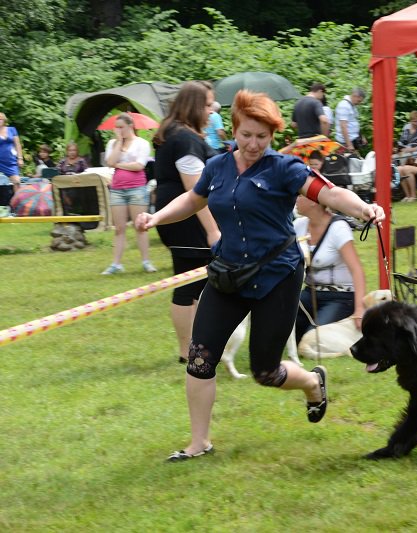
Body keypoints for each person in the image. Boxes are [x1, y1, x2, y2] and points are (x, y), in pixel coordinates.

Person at [135, 89, 385, 461]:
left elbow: (330, 195)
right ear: (233, 130)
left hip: (276, 277)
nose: (253, 144)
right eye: (246, 135)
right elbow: (193, 200)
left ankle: (314, 383)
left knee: (265, 371)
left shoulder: (285, 169)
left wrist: (365, 208)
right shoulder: (217, 166)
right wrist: (156, 217)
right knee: (199, 357)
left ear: (272, 136)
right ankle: (199, 442)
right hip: (228, 275)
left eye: (262, 137)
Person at [153, 80, 221, 364]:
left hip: (178, 218)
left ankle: (192, 349)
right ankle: (189, 351)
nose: (211, 110)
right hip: (188, 221)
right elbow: (196, 192)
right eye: (207, 105)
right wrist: (213, 230)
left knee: (191, 283)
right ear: (194, 106)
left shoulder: (175, 134)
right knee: (191, 285)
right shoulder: (184, 139)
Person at [293, 192, 367, 342]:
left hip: (340, 298)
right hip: (310, 292)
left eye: (300, 195)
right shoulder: (298, 226)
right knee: (281, 326)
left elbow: (357, 270)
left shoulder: (338, 228)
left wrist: (360, 310)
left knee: (312, 340)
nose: (295, 198)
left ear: (314, 201)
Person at [102, 112, 157, 275]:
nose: (118, 130)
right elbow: (110, 162)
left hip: (137, 188)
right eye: (116, 128)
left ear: (130, 126)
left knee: (140, 226)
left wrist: (118, 165)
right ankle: (116, 264)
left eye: (121, 127)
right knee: (119, 228)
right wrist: (119, 142)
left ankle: (146, 261)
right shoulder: (113, 143)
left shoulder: (142, 143)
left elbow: (139, 165)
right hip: (117, 189)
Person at [0, 112, 25, 193]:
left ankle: (17, 202)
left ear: (4, 120)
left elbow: (17, 145)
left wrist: (20, 158)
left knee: (17, 182)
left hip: (10, 160)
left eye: (0, 119)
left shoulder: (12, 129)